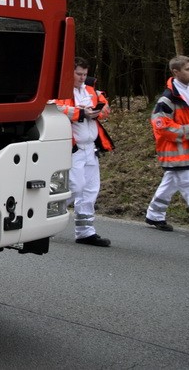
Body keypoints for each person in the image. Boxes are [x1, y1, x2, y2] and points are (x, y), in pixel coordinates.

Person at [144, 55, 189, 231]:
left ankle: (154, 215)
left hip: (188, 146)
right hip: (174, 149)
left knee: (171, 181)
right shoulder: (168, 98)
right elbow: (162, 127)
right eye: (188, 69)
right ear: (175, 72)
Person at [55, 57, 114, 247]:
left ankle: (85, 232)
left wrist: (97, 112)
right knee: (74, 187)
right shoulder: (60, 90)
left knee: (90, 190)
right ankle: (45, 219)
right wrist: (80, 112)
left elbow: (105, 107)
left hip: (91, 147)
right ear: (69, 73)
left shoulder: (90, 90)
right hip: (72, 147)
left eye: (85, 74)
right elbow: (54, 108)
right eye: (78, 74)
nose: (82, 78)